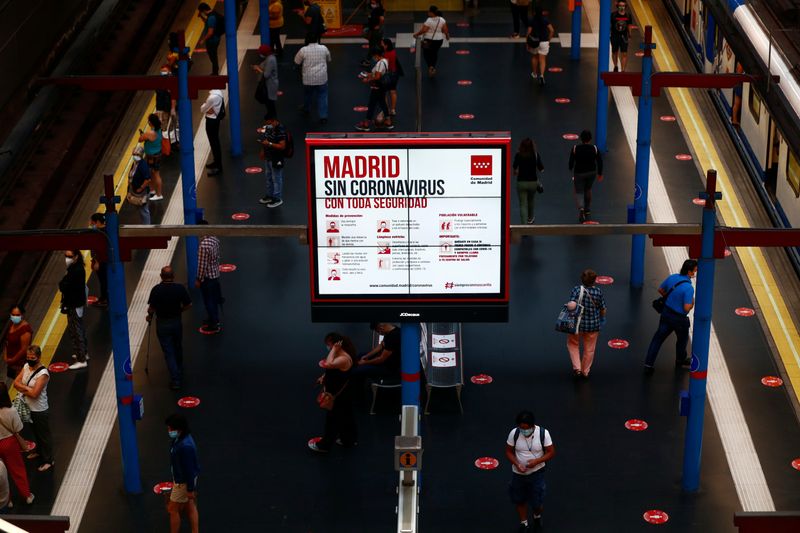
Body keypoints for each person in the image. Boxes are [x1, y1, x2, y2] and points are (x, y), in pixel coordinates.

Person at [644, 259, 698, 375]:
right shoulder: (689, 288)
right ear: (689, 272)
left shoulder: (673, 277)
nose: (695, 273)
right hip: (679, 319)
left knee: (658, 338)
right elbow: (686, 308)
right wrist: (692, 302)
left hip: (666, 313)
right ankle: (680, 359)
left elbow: (661, 289)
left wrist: (670, 299)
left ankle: (648, 364)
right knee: (682, 339)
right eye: (694, 271)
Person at [505, 411, 554, 532]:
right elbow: (508, 452)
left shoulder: (543, 434)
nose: (523, 431)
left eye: (526, 429)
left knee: (537, 502)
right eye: (521, 428)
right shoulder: (514, 433)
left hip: (536, 474)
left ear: (533, 426)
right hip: (518, 474)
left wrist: (536, 461)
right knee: (519, 499)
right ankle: (524, 523)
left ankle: (537, 516)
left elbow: (551, 452)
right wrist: (517, 464)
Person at [309, 333, 358, 453]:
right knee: (346, 417)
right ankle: (348, 440)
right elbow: (332, 370)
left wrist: (334, 349)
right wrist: (324, 376)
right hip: (344, 394)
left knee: (332, 420)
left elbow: (329, 364)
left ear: (337, 344)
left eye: (329, 345)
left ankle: (324, 446)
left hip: (339, 396)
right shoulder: (338, 354)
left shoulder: (343, 358)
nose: (328, 347)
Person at [147, 267, 192, 390]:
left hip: (162, 323)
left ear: (161, 276)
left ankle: (176, 379)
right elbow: (189, 304)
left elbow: (151, 308)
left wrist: (149, 316)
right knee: (177, 345)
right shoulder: (180, 288)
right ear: (174, 276)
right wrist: (179, 311)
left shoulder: (156, 290)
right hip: (176, 322)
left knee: (168, 351)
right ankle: (179, 367)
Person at [14, 346, 53, 472]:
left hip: (39, 409)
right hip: (28, 407)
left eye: (33, 358)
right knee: (35, 432)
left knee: (43, 435)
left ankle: (48, 460)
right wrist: (28, 389)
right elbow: (15, 383)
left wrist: (23, 388)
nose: (30, 360)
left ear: (39, 357)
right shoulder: (26, 366)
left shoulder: (43, 373)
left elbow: (35, 394)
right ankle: (39, 451)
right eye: (28, 358)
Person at [566, 269, 607, 379]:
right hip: (592, 325)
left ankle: (577, 368)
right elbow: (603, 309)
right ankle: (585, 371)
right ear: (594, 281)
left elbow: (571, 306)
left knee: (573, 344)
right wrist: (602, 319)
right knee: (589, 349)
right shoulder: (598, 292)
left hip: (576, 324)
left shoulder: (576, 290)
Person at [165, 413, 200, 533]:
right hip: (183, 480)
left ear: (179, 429)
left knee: (172, 509)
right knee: (190, 506)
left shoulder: (185, 446)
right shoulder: (181, 438)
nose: (168, 430)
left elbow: (189, 470)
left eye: (170, 428)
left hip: (183, 483)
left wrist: (190, 489)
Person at [0, 383, 34, 504]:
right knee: (17, 470)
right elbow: (18, 428)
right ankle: (27, 496)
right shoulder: (11, 410)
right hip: (9, 443)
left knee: (1, 473)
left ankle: (7, 500)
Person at [60, 250, 88, 370]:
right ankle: (83, 353)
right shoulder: (76, 268)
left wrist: (62, 284)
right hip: (76, 303)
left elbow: (64, 285)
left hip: (74, 304)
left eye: (70, 256)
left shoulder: (75, 271)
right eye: (66, 256)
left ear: (76, 257)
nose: (67, 258)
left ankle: (81, 359)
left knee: (76, 331)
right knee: (78, 329)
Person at [568, 130, 603, 223]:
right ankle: (587, 209)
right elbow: (600, 161)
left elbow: (571, 163)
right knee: (588, 189)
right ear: (590, 139)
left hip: (579, 173)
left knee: (579, 191)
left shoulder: (575, 148)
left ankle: (581, 209)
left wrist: (570, 168)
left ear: (581, 138)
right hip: (591, 173)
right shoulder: (594, 148)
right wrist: (600, 173)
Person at [294, 34, 331, 124]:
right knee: (322, 96)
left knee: (308, 95)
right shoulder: (324, 48)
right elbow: (329, 59)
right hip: (322, 78)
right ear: (317, 39)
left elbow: (296, 62)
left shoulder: (303, 50)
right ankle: (323, 117)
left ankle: (306, 108)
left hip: (308, 79)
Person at [355, 47, 394, 132]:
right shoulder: (385, 61)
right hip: (382, 87)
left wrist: (367, 79)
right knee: (382, 103)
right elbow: (377, 73)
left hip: (377, 87)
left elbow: (377, 76)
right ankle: (388, 122)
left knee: (371, 105)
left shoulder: (380, 63)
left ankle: (366, 124)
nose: (373, 58)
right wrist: (368, 74)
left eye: (373, 56)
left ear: (376, 55)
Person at [195, 221, 222, 334]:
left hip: (207, 278)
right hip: (215, 274)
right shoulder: (215, 239)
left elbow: (202, 265)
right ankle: (214, 318)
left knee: (208, 300)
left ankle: (213, 324)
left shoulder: (204, 245)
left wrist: (198, 279)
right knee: (214, 299)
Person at [257, 116, 287, 208]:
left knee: (276, 179)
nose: (268, 125)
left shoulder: (280, 130)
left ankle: (277, 198)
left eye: (269, 123)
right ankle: (270, 196)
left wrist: (269, 144)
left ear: (274, 121)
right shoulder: (270, 128)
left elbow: (282, 146)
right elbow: (266, 140)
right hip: (268, 157)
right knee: (269, 177)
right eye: (267, 124)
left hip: (276, 158)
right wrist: (263, 151)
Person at [513, 138, 544, 224]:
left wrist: (516, 171)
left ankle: (524, 226)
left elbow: (515, 168)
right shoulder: (536, 155)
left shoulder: (518, 155)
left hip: (521, 183)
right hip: (533, 183)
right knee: (531, 201)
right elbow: (541, 169)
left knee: (523, 205)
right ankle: (530, 219)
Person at [413, 6, 449, 77]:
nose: (428, 12)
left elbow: (424, 30)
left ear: (432, 13)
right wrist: (447, 36)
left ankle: (430, 66)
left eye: (429, 11)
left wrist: (416, 34)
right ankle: (432, 67)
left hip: (428, 40)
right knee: (434, 53)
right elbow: (445, 30)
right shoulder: (442, 19)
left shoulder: (429, 20)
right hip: (439, 40)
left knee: (426, 53)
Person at [137, 114, 164, 201]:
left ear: (151, 123)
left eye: (148, 121)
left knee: (156, 174)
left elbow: (140, 139)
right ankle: (152, 190)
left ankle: (159, 194)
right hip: (157, 153)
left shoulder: (150, 133)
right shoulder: (158, 129)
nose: (148, 122)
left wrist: (143, 135)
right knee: (152, 172)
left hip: (152, 156)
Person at [526, 7, 555, 84]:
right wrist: (548, 40)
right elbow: (552, 31)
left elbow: (528, 32)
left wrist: (527, 43)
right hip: (544, 41)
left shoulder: (532, 20)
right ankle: (541, 76)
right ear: (542, 13)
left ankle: (534, 73)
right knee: (542, 59)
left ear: (534, 13)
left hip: (534, 42)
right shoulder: (545, 20)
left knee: (535, 57)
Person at [3, 305, 32, 380]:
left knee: (22, 384)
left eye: (17, 315)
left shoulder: (25, 329)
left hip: (20, 365)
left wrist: (12, 360)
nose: (15, 317)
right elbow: (7, 342)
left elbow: (24, 349)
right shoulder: (12, 325)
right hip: (11, 363)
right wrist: (5, 356)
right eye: (13, 315)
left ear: (22, 315)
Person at [200, 89, 225, 175]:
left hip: (211, 121)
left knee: (214, 143)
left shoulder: (212, 97)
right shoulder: (219, 94)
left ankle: (218, 166)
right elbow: (208, 109)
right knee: (215, 143)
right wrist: (209, 108)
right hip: (215, 120)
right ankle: (216, 162)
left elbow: (202, 109)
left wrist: (205, 106)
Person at [252, 44, 279, 120]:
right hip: (268, 84)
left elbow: (266, 74)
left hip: (271, 84)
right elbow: (262, 65)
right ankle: (270, 115)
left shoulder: (270, 60)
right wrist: (258, 67)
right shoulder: (269, 57)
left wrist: (258, 69)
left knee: (270, 102)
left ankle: (273, 118)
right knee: (268, 101)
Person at [88, 213, 109, 308]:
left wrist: (96, 262)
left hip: (101, 262)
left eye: (92, 222)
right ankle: (104, 298)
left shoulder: (98, 233)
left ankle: (104, 299)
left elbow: (99, 249)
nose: (90, 224)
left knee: (103, 281)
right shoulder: (107, 230)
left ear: (97, 222)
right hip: (106, 260)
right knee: (105, 280)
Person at [128, 146, 152, 224]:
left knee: (144, 210)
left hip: (142, 193)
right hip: (135, 191)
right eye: (134, 154)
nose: (135, 156)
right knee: (141, 210)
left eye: (137, 155)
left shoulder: (143, 165)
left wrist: (141, 188)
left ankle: (147, 228)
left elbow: (148, 179)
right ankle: (144, 225)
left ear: (141, 155)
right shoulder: (135, 164)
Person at [197, 3, 223, 75]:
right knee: (213, 56)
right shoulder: (213, 14)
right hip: (215, 38)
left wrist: (203, 40)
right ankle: (215, 71)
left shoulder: (211, 17)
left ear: (203, 10)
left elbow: (210, 32)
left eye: (201, 11)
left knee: (213, 56)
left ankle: (215, 72)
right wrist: (202, 17)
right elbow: (208, 23)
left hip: (212, 40)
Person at [381, 38, 401, 118]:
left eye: (382, 44)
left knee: (384, 93)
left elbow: (385, 66)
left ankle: (386, 110)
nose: (381, 45)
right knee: (393, 91)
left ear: (386, 45)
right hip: (395, 74)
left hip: (387, 75)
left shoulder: (385, 54)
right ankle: (393, 109)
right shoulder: (393, 52)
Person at [361, 0, 385, 67]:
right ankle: (383, 57)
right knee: (378, 44)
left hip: (376, 31)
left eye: (373, 2)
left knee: (372, 46)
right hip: (373, 30)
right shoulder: (373, 9)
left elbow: (382, 19)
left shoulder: (379, 9)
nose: (372, 3)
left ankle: (368, 61)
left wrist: (378, 26)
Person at [610, 0, 632, 72]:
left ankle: (623, 70)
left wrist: (630, 35)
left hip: (624, 37)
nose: (621, 7)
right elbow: (610, 25)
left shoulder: (628, 15)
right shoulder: (613, 15)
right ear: (617, 6)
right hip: (614, 36)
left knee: (624, 53)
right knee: (614, 52)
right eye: (620, 6)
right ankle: (615, 66)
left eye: (623, 6)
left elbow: (629, 25)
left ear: (625, 7)